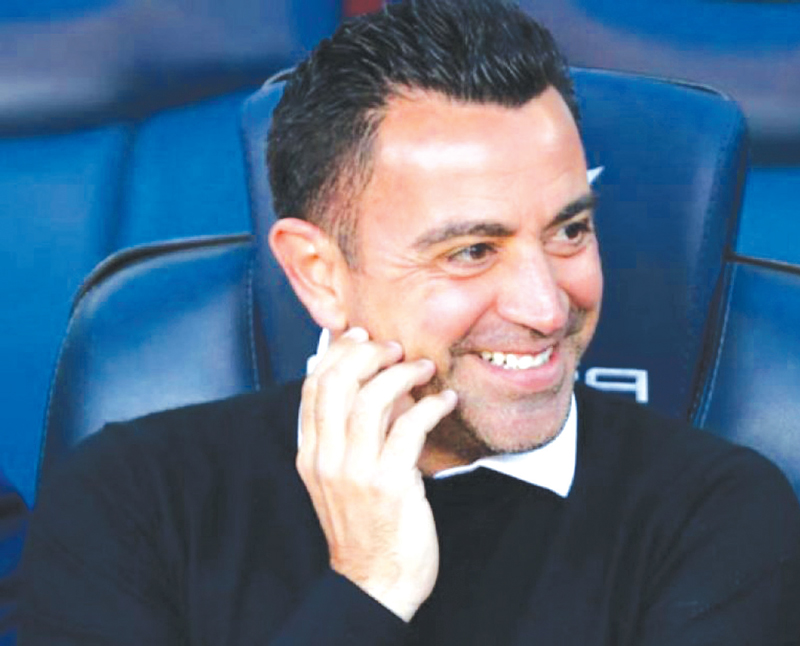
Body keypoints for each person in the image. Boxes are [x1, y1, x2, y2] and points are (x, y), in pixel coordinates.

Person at [20, 1, 800, 644]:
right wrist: (371, 585)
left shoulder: (719, 517)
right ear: (319, 273)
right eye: (471, 251)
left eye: (570, 231)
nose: (546, 308)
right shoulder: (130, 500)